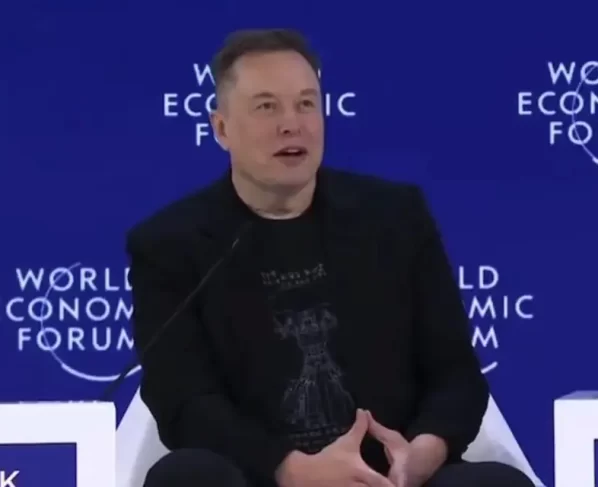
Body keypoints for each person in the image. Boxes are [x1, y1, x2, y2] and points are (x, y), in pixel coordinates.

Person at [126, 28, 535, 487]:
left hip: (392, 477)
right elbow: (183, 400)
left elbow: (455, 372)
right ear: (221, 129)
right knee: (186, 477)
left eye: (306, 104)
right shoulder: (171, 244)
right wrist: (292, 469)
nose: (292, 124)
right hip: (260, 476)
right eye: (267, 107)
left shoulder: (394, 218)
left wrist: (421, 453)